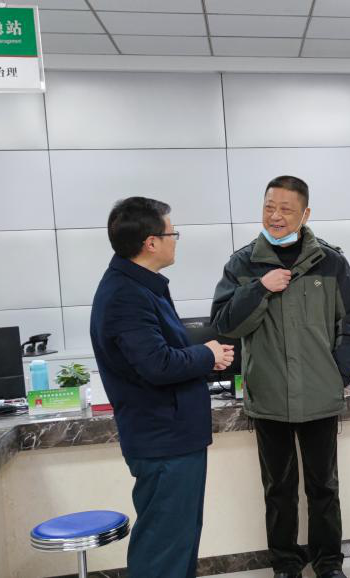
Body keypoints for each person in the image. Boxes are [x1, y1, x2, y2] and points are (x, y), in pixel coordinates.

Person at [210, 176, 350, 578]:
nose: (275, 216)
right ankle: (285, 565)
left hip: (319, 396)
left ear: (305, 214)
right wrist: (259, 288)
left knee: (324, 488)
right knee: (278, 491)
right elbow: (225, 325)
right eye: (269, 207)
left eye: (285, 209)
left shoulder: (331, 262)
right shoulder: (242, 264)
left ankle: (328, 564)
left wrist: (337, 373)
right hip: (268, 397)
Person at [89, 197, 235, 578]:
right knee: (164, 550)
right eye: (173, 233)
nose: (176, 240)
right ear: (151, 242)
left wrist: (204, 356)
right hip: (162, 441)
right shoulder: (125, 295)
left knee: (180, 542)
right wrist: (206, 355)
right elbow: (157, 364)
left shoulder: (141, 286)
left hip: (174, 437)